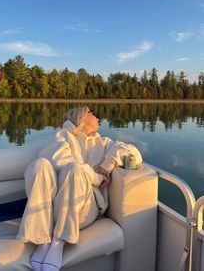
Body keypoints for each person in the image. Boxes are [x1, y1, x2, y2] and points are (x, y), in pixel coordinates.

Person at [17, 106, 142, 271]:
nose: (98, 116)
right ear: (82, 118)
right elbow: (59, 160)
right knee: (39, 165)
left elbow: (134, 152)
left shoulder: (104, 143)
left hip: (84, 208)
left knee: (75, 170)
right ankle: (43, 239)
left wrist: (107, 165)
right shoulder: (62, 136)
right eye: (92, 113)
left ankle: (58, 242)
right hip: (53, 207)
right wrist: (96, 177)